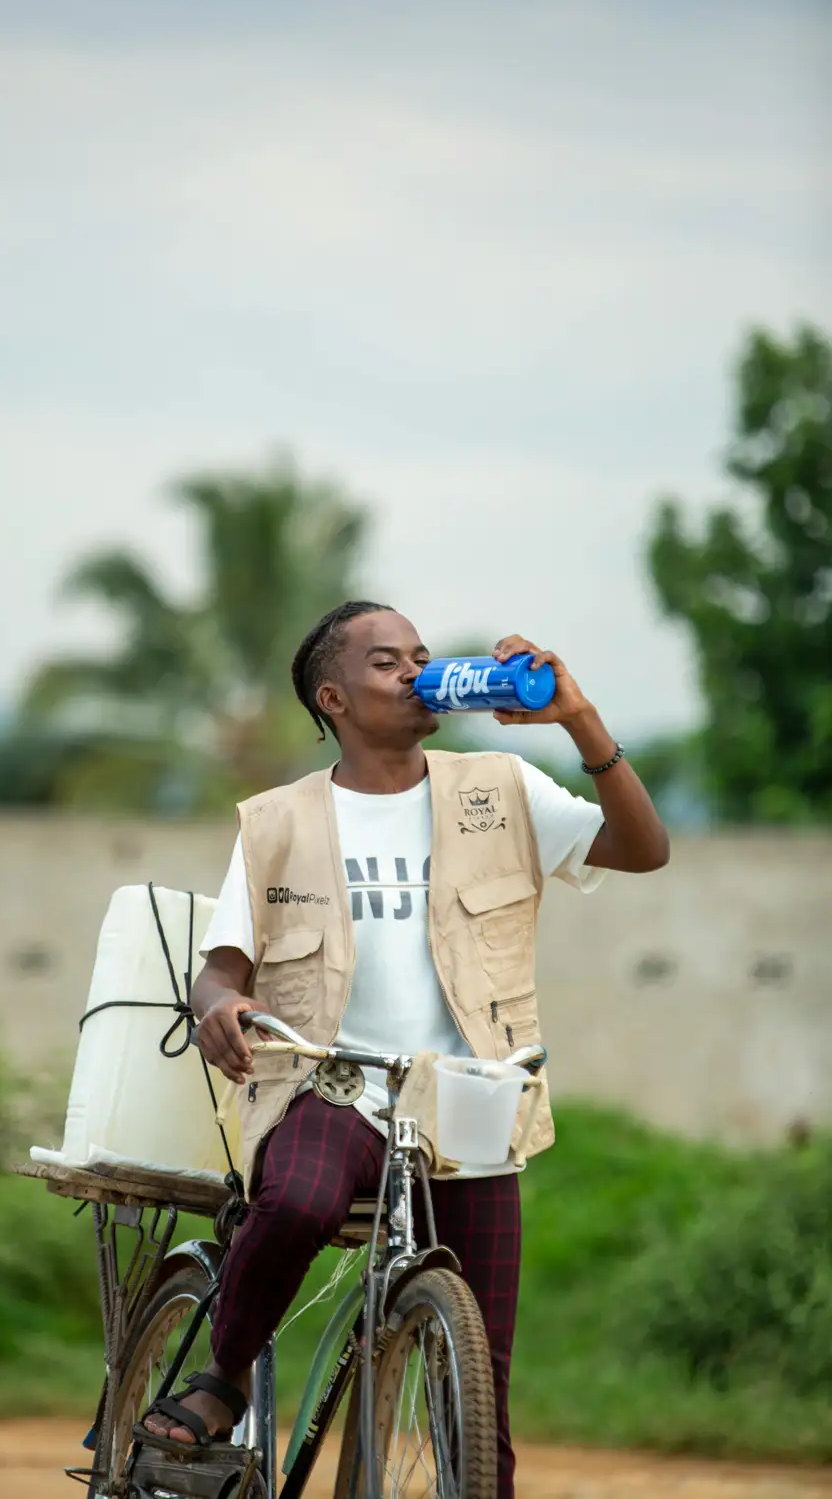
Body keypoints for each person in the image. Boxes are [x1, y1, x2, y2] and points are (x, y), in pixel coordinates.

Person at [139, 601, 669, 1497]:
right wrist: (222, 1006)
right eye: (390, 663)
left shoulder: (499, 785)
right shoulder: (278, 820)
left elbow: (643, 848)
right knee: (299, 1198)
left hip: (470, 1101)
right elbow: (221, 969)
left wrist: (576, 716)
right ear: (334, 697)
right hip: (330, 1085)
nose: (418, 672)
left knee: (479, 1382)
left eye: (422, 656)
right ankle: (224, 1373)